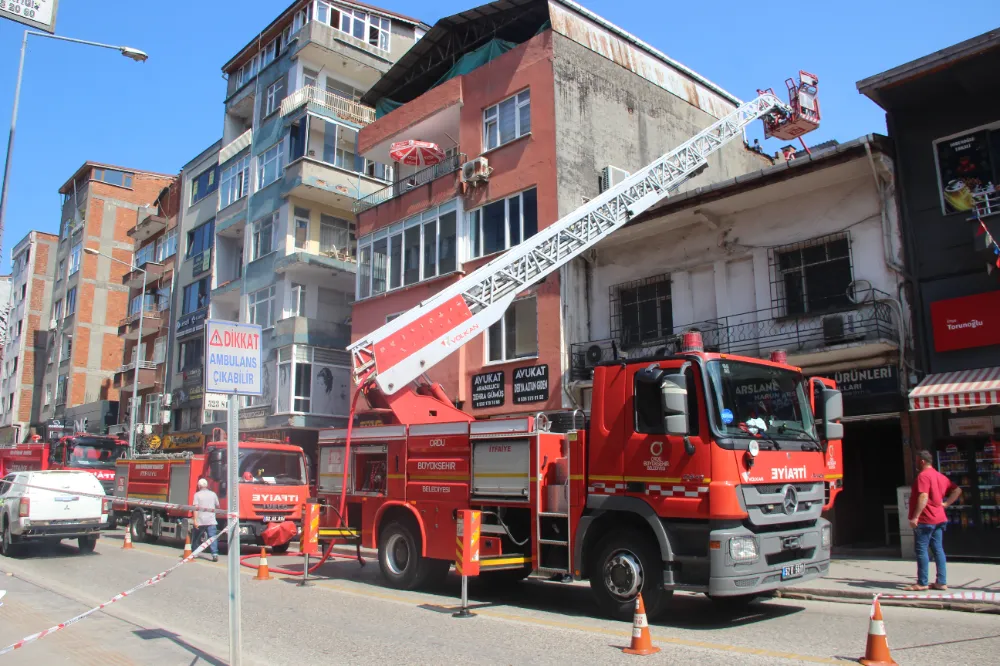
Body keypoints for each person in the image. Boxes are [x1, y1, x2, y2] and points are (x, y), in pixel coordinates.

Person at [904, 450, 961, 591]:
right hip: (939, 518)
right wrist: (946, 504)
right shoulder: (939, 476)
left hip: (925, 519)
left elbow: (923, 496)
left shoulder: (923, 476)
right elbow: (957, 490)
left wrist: (915, 517)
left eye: (917, 460)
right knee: (938, 549)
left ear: (922, 461)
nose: (916, 463)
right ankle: (941, 582)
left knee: (921, 550)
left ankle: (922, 583)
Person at [192, 478, 220, 562]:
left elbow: (195, 509)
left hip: (201, 520)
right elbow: (218, 506)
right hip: (211, 520)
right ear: (207, 485)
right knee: (212, 538)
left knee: (196, 537)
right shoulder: (213, 494)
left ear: (199, 486)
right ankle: (214, 554)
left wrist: (195, 520)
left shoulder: (197, 495)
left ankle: (195, 553)